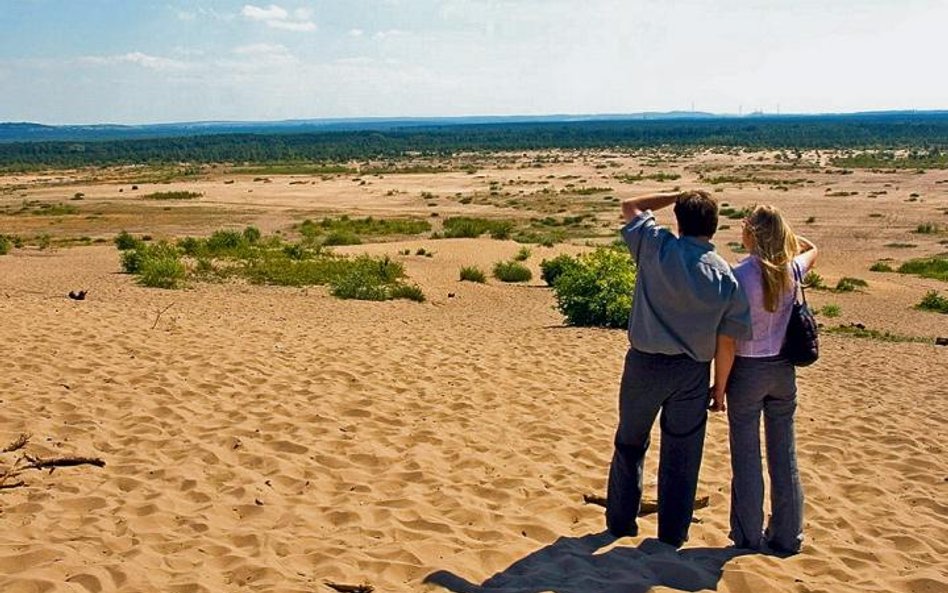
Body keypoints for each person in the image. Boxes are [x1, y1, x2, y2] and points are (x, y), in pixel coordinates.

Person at [607, 190, 752, 548]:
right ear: (714, 227)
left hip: (644, 364)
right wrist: (720, 389)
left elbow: (631, 206)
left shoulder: (657, 247)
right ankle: (672, 534)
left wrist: (676, 194)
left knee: (630, 442)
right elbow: (727, 341)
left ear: (679, 220)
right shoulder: (725, 277)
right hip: (692, 372)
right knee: (683, 454)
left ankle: (620, 523)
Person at [710, 204, 818, 555]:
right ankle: (788, 535)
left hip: (748, 370)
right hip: (783, 370)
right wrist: (788, 240)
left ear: (750, 233)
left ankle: (747, 535)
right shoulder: (791, 271)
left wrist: (720, 388)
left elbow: (726, 342)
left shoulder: (737, 277)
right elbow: (812, 249)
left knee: (746, 457)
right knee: (783, 454)